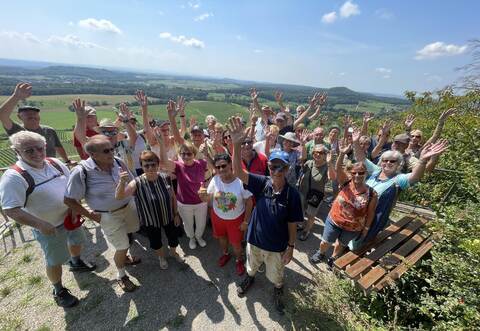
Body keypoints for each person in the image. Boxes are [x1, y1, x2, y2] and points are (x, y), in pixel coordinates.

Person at [0, 131, 94, 308]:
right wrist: (40, 224)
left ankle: (76, 262)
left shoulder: (54, 163)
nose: (37, 154)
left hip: (70, 217)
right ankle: (58, 290)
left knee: (77, 241)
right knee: (55, 259)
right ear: (17, 151)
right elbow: (11, 210)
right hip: (49, 227)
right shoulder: (13, 177)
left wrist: (75, 208)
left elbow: (70, 186)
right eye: (29, 151)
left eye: (40, 148)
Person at [229, 117, 303, 314]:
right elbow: (238, 172)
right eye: (273, 167)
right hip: (254, 240)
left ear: (287, 169)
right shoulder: (262, 183)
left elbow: (292, 224)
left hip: (277, 246)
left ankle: (278, 290)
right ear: (268, 168)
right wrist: (236, 144)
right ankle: (250, 278)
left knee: (277, 276)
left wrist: (291, 247)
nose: (276, 171)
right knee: (251, 266)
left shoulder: (292, 195)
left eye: (281, 167)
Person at [64, 135, 141, 292]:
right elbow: (69, 200)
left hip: (128, 208)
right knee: (122, 245)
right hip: (108, 215)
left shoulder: (118, 162)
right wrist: (91, 216)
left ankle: (125, 258)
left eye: (112, 148)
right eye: (106, 150)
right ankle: (121, 276)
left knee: (129, 235)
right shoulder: (81, 171)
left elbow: (132, 182)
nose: (112, 152)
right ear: (93, 154)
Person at [351, 129, 449, 247]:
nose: (388, 163)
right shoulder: (376, 171)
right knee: (348, 235)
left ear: (399, 164)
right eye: (385, 160)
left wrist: (423, 160)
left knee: (359, 242)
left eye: (392, 161)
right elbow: (361, 158)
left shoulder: (398, 179)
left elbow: (414, 177)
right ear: (381, 162)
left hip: (374, 217)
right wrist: (356, 142)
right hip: (357, 212)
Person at [309, 141, 378, 268]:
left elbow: (371, 212)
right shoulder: (345, 182)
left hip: (353, 227)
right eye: (355, 172)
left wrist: (366, 229)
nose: (357, 175)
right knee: (325, 242)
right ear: (351, 173)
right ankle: (321, 253)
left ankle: (333, 259)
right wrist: (341, 153)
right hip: (334, 220)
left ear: (366, 174)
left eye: (361, 173)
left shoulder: (372, 193)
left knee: (340, 244)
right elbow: (338, 169)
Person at [115, 151, 184, 269]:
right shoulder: (136, 182)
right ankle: (161, 258)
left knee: (173, 238)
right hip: (150, 220)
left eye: (153, 164)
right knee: (156, 241)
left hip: (169, 216)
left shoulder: (166, 177)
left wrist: (176, 214)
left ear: (157, 165)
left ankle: (173, 252)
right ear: (141, 166)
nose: (150, 168)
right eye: (146, 165)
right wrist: (122, 182)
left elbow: (173, 196)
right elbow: (119, 196)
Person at [198, 153, 253, 275]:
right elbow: (208, 198)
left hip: (236, 219)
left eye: (224, 166)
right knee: (222, 238)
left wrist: (246, 221)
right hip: (218, 218)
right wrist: (202, 196)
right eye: (218, 167)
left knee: (236, 244)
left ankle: (239, 260)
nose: (221, 169)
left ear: (230, 165)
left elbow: (249, 202)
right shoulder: (215, 179)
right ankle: (225, 254)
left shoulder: (240, 181)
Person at [157, 129, 209, 250]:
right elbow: (164, 162)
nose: (185, 156)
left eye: (189, 154)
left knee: (201, 224)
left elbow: (215, 167)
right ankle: (191, 238)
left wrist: (207, 154)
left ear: (194, 154)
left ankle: (199, 237)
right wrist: (161, 143)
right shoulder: (179, 166)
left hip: (201, 201)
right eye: (183, 154)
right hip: (184, 203)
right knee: (188, 224)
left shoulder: (201, 163)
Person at [0, 82, 70, 162]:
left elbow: (58, 147)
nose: (32, 115)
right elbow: (2, 115)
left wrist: (67, 161)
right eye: (28, 114)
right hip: (29, 170)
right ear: (19, 117)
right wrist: (16, 97)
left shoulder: (49, 130)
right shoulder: (17, 130)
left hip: (50, 168)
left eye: (35, 113)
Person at [297, 144, 335, 241]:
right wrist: (303, 144)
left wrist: (329, 163)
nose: (318, 154)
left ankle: (307, 230)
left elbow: (332, 177)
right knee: (300, 210)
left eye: (321, 153)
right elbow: (302, 163)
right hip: (303, 192)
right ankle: (300, 224)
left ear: (325, 155)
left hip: (316, 196)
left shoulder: (327, 167)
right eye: (315, 152)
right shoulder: (309, 163)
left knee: (310, 214)